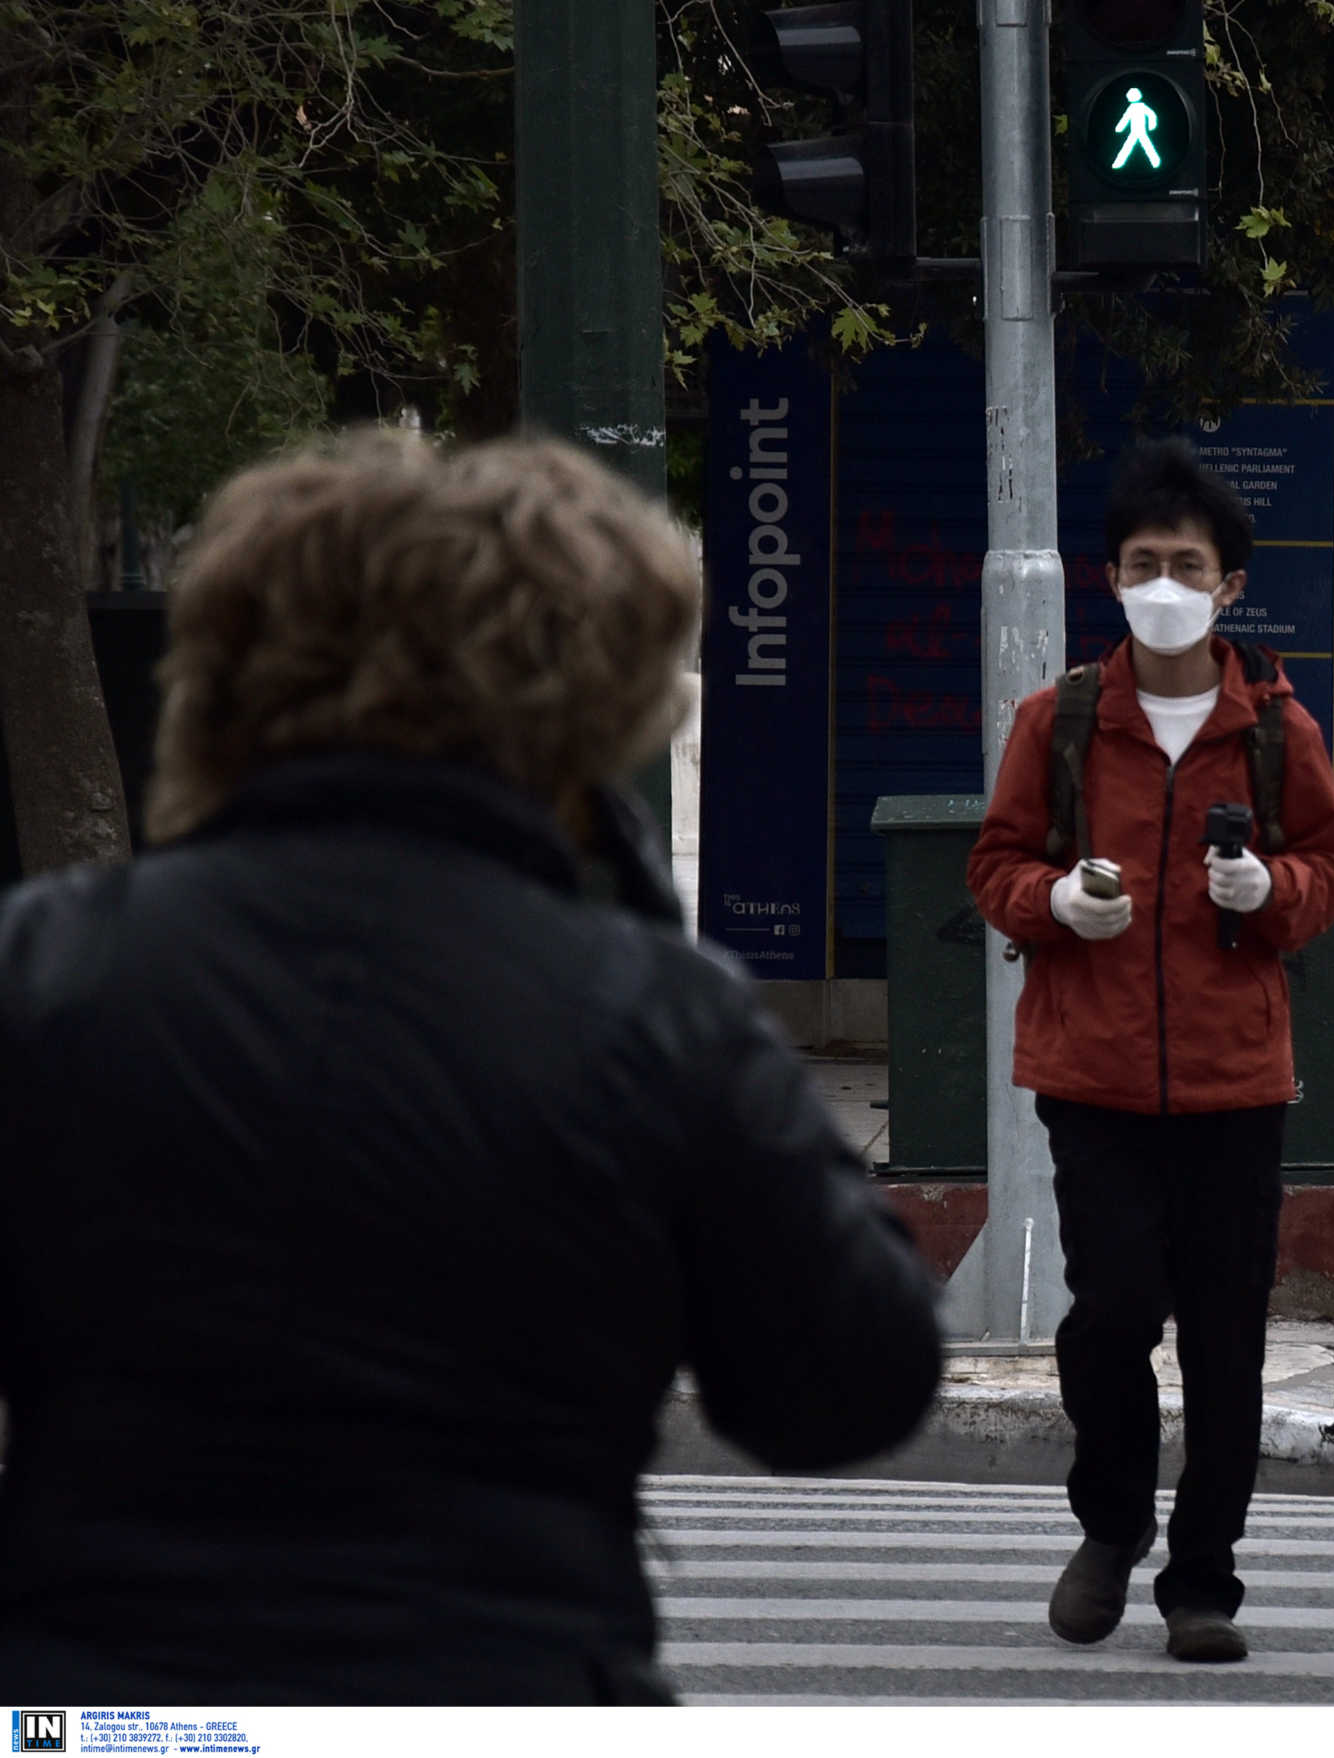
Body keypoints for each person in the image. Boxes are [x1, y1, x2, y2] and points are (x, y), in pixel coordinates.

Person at [0, 431, 945, 1704]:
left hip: (106, 1696)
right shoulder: (645, 1012)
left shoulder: (45, 966)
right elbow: (845, 1384)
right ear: (590, 702)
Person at [967, 437, 1334, 1664]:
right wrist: (1051, 906)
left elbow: (1332, 870)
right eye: (1144, 563)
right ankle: (1110, 1525)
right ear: (1113, 578)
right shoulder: (1062, 719)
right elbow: (995, 864)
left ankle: (1203, 1579)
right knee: (1110, 1314)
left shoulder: (1278, 730)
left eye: (1187, 564)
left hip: (1236, 1081)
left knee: (1226, 1337)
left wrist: (1269, 889)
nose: (1166, 583)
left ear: (1230, 584)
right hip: (1093, 1073)